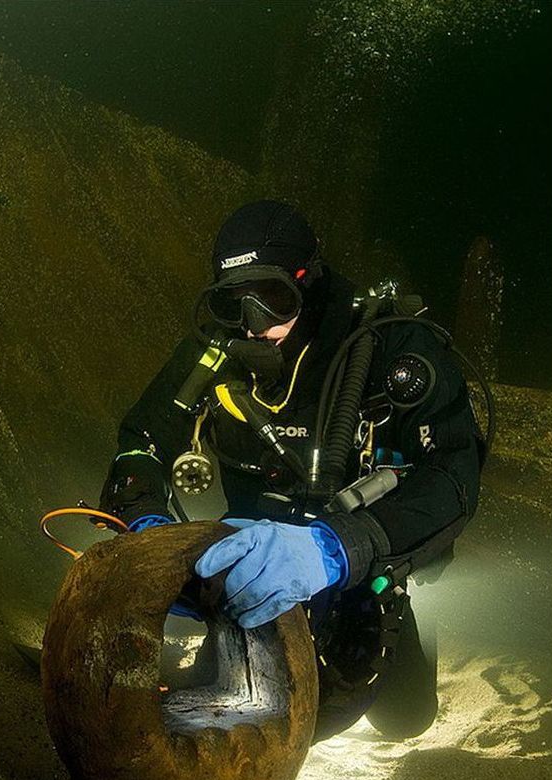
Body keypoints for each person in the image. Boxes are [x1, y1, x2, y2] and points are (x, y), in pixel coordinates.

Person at [98, 200, 484, 741]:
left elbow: (453, 476)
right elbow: (141, 439)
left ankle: (412, 626)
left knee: (405, 720)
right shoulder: (213, 352)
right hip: (251, 567)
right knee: (233, 707)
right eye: (235, 303)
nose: (255, 326)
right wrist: (146, 528)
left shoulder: (389, 344)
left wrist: (335, 548)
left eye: (273, 299)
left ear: (309, 281)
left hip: (355, 565)